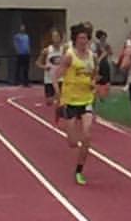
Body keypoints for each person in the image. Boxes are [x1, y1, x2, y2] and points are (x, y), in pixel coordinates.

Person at [53, 23, 101, 186]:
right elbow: (56, 76)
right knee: (72, 142)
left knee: (87, 136)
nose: (83, 40)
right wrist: (58, 95)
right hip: (70, 100)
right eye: (80, 37)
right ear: (75, 39)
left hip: (86, 99)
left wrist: (94, 83)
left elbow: (95, 74)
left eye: (86, 37)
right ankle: (62, 116)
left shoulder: (92, 56)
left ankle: (79, 170)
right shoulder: (69, 56)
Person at [37, 28, 64, 119]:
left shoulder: (64, 50)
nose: (55, 39)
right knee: (49, 102)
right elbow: (38, 63)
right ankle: (57, 105)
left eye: (57, 36)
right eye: (53, 37)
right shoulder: (47, 50)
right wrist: (45, 67)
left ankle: (60, 110)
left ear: (61, 38)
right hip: (49, 78)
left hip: (60, 78)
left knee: (60, 95)